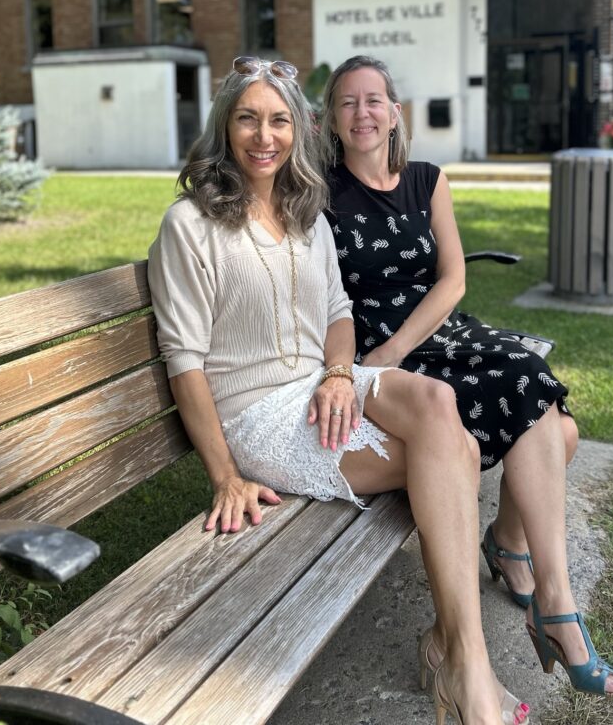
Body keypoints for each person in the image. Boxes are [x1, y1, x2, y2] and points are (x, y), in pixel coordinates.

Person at [147, 57, 530, 725]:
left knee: (438, 405)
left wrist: (338, 372)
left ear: (297, 130)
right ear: (225, 127)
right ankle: (463, 663)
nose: (263, 136)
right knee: (456, 453)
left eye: (278, 120)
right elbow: (184, 360)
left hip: (324, 384)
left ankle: (456, 652)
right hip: (259, 412)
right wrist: (224, 476)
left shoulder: (305, 215)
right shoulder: (191, 225)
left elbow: (337, 315)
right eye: (247, 119)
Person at [321, 55, 613, 699]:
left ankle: (551, 592)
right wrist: (377, 358)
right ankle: (541, 592)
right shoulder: (320, 192)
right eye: (347, 103)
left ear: (395, 110)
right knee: (556, 430)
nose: (362, 113)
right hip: (370, 344)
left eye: (374, 100)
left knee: (528, 376)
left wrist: (405, 344)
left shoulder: (428, 180)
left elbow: (453, 278)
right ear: (332, 117)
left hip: (431, 334)